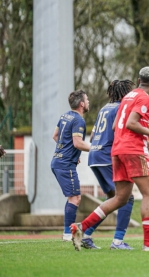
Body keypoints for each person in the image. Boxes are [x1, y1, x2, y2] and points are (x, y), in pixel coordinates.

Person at [71, 67, 149, 252]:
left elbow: (118, 124)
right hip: (132, 150)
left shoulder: (127, 97)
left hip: (117, 151)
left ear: (138, 79)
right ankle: (148, 244)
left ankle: (82, 227)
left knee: (121, 198)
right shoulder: (144, 97)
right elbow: (130, 123)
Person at [82, 79, 136, 250]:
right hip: (107, 156)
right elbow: (119, 130)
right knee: (127, 198)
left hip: (94, 155)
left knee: (114, 199)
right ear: (125, 93)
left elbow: (92, 137)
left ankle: (86, 235)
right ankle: (117, 241)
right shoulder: (122, 108)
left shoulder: (104, 108)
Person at [51, 90, 91, 242]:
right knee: (75, 198)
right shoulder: (79, 120)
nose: (88, 102)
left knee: (73, 198)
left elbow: (55, 136)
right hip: (65, 164)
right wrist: (96, 149)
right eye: (86, 100)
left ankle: (68, 232)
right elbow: (77, 143)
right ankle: (68, 234)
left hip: (58, 161)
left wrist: (70, 152)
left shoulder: (64, 116)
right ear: (81, 104)